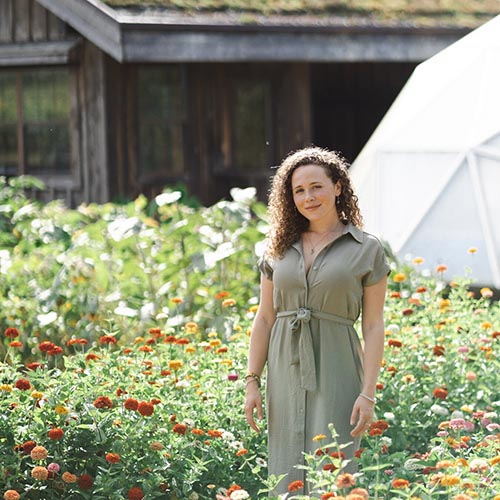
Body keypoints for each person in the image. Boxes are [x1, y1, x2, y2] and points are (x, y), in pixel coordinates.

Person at [244, 146, 389, 495]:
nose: (308, 197)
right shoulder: (277, 248)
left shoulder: (366, 249)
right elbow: (265, 318)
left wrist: (368, 394)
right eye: (298, 190)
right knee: (285, 464)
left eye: (316, 186)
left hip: (338, 362)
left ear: (338, 187)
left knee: (334, 462)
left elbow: (372, 326)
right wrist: (252, 381)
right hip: (284, 363)